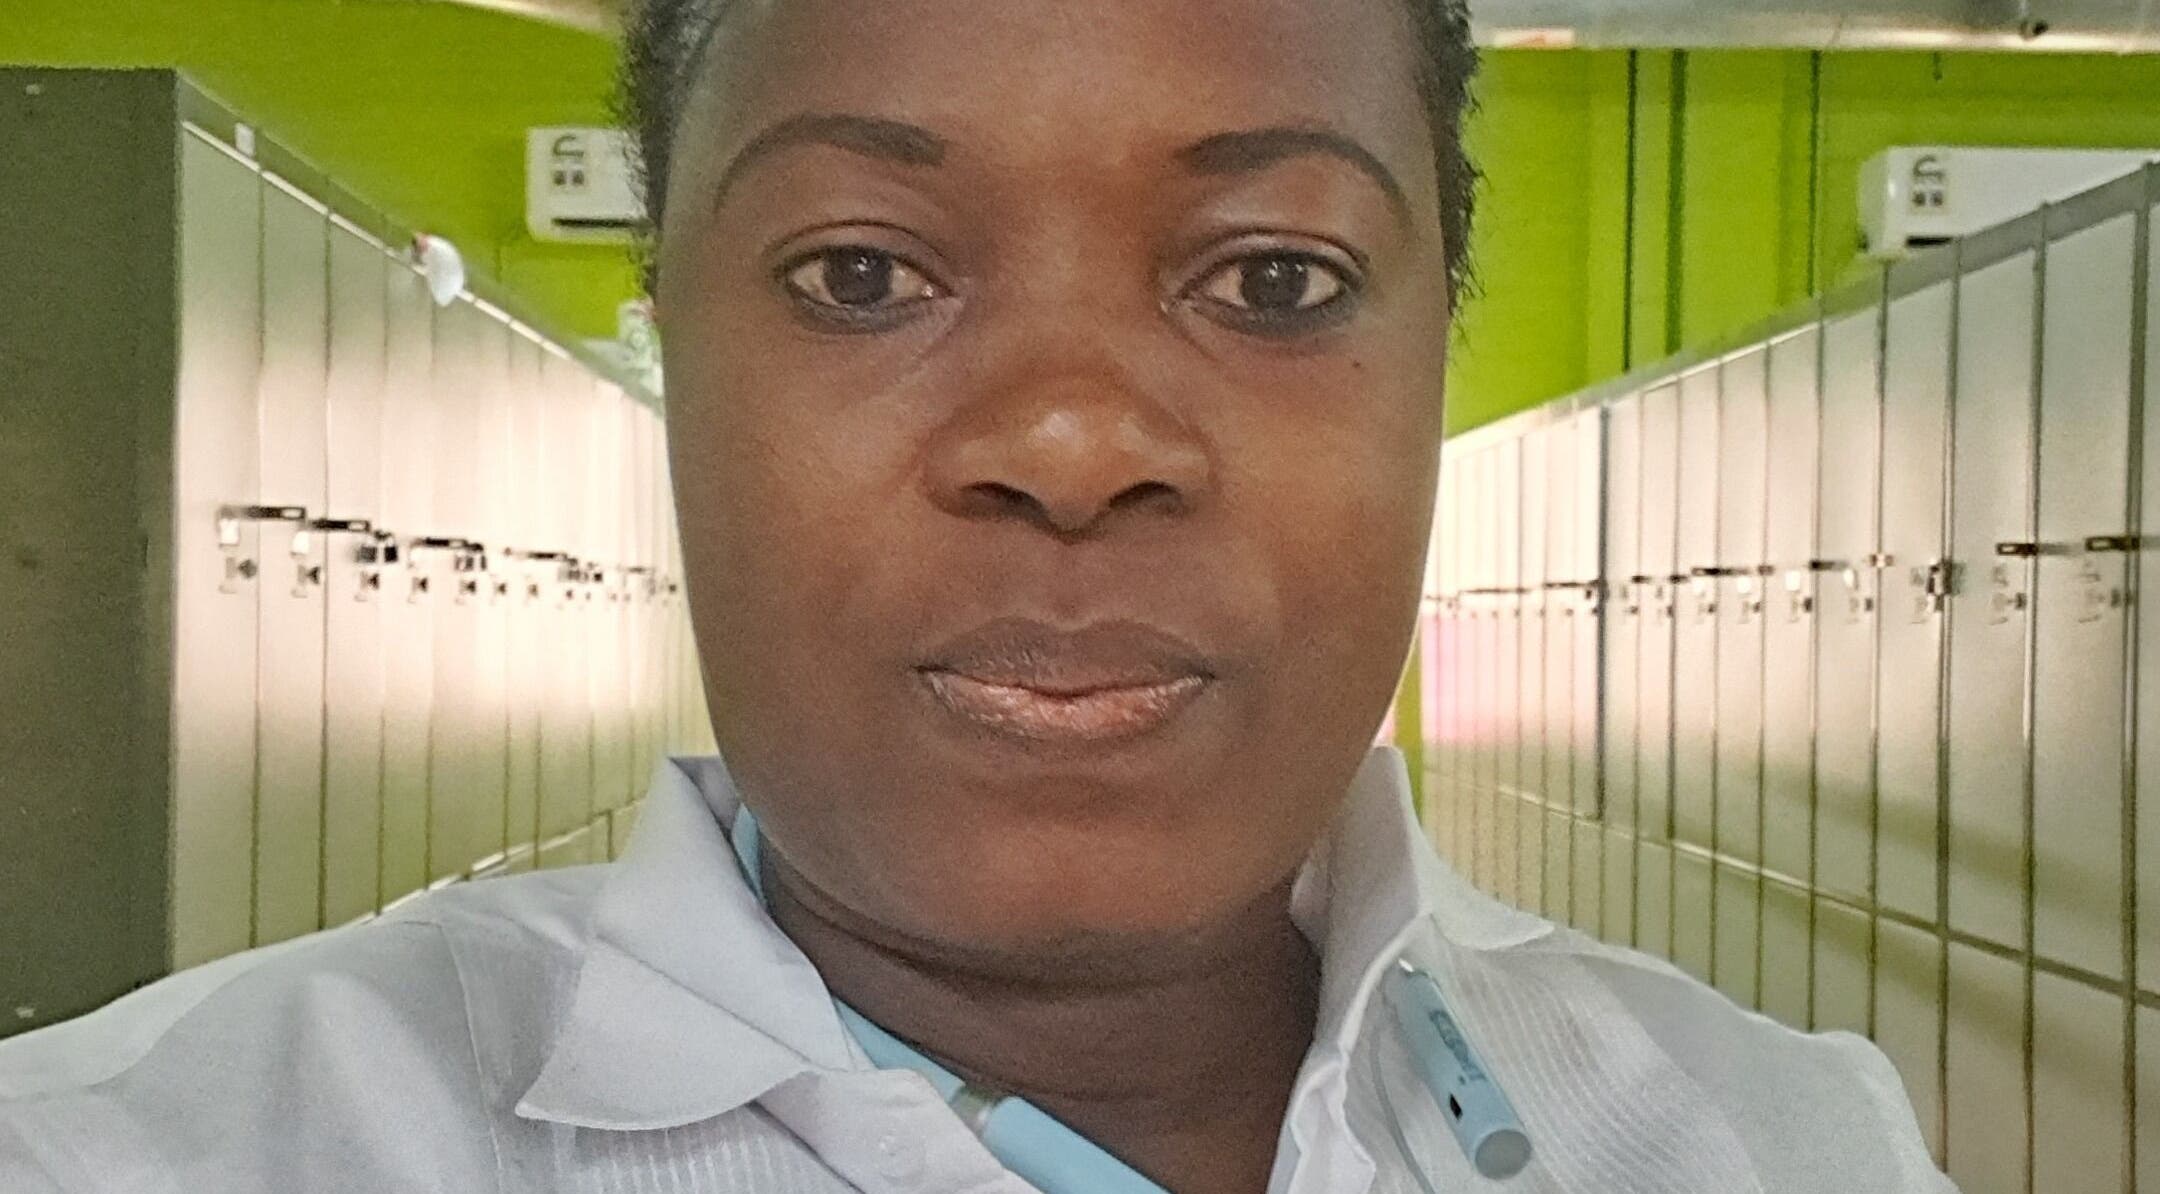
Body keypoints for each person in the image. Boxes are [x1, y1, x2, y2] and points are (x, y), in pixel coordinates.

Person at [0, 0, 1956, 1190]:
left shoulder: (1775, 1141)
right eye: (862, 274)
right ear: (671, 344)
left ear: (1437, 347)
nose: (1074, 440)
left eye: (1273, 278)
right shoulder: (145, 1153)